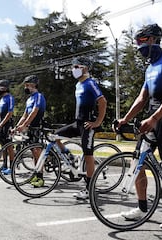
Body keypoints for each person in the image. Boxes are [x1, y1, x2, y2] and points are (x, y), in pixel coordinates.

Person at [113, 23, 162, 231]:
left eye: (141, 40)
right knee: (137, 161)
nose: (138, 45)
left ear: (153, 39)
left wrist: (153, 119)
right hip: (152, 116)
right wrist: (124, 119)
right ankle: (142, 208)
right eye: (137, 42)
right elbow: (141, 98)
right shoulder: (149, 67)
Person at [55, 56, 107, 200]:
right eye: (73, 67)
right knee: (55, 136)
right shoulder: (78, 85)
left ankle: (89, 189)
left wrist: (97, 122)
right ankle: (70, 157)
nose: (74, 69)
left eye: (77, 67)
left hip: (87, 125)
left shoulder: (90, 83)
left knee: (88, 155)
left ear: (85, 68)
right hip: (77, 123)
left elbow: (102, 102)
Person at [15, 75, 46, 187]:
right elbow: (25, 115)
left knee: (37, 151)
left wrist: (24, 125)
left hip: (38, 127)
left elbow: (34, 112)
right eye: (25, 85)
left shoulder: (38, 96)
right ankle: (37, 173)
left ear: (34, 85)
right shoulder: (29, 99)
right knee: (33, 152)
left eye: (27, 85)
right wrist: (17, 126)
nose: (25, 87)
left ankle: (40, 177)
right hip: (31, 128)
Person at [0, 79, 15, 175]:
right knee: (3, 146)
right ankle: (4, 166)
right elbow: (0, 113)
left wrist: (2, 124)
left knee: (9, 146)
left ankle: (12, 167)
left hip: (8, 124)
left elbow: (10, 113)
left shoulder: (10, 98)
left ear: (5, 87)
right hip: (2, 125)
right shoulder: (1, 99)